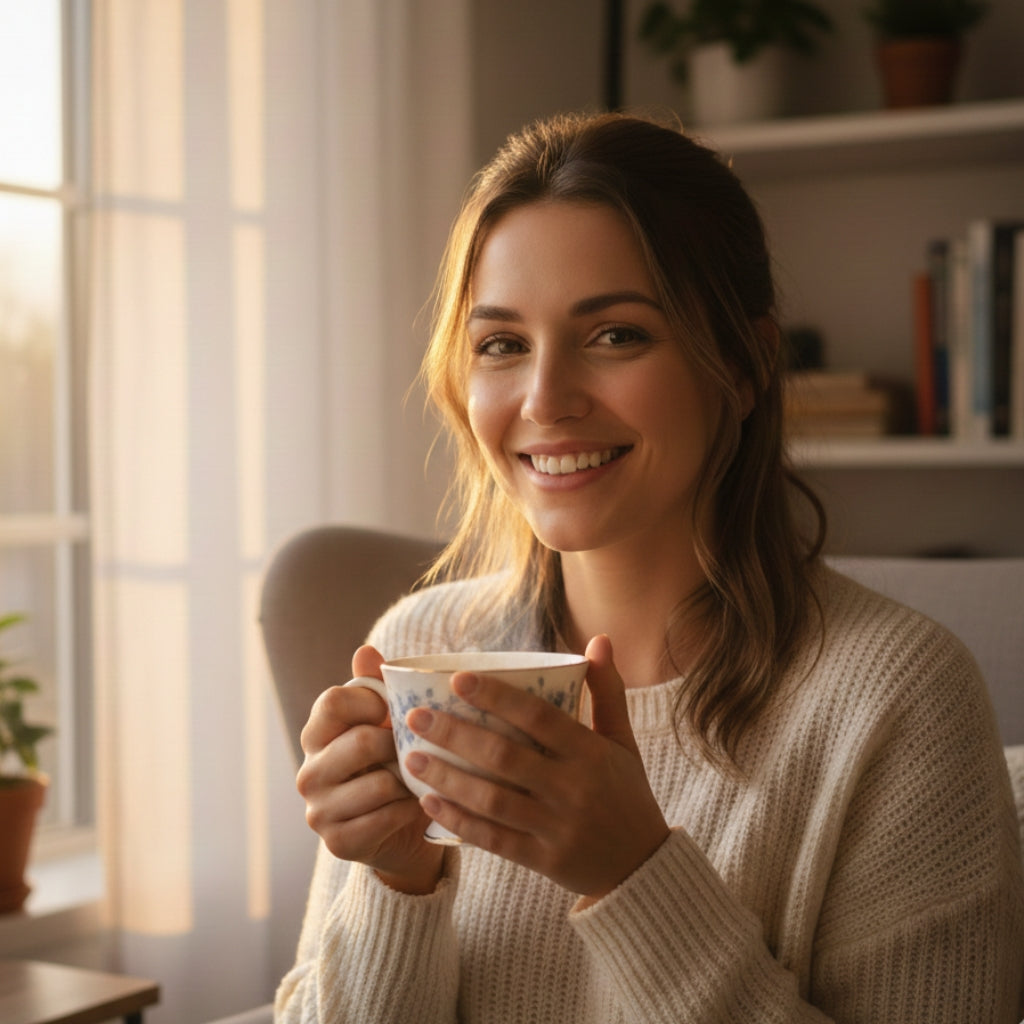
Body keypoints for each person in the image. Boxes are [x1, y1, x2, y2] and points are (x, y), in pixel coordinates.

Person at [277, 111, 1024, 1023]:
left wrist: (635, 875)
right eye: (502, 344)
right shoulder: (418, 646)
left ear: (743, 366)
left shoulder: (899, 700)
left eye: (616, 335)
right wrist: (396, 882)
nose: (545, 400)